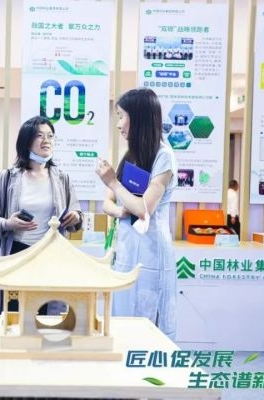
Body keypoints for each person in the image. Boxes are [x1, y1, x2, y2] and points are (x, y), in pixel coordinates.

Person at [95, 88, 178, 340]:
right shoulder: (131, 155)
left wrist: (113, 182)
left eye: (122, 116)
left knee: (147, 320)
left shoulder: (164, 157)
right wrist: (121, 210)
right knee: (122, 315)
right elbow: (107, 204)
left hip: (151, 251)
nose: (119, 124)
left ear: (139, 118)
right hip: (126, 248)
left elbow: (144, 209)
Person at [0, 115, 83, 313]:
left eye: (50, 136)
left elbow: (77, 214)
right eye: (39, 135)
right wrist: (8, 224)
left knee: (47, 317)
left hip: (51, 254)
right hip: (17, 253)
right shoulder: (8, 177)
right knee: (14, 314)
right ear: (26, 140)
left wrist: (75, 217)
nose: (46, 141)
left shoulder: (62, 178)